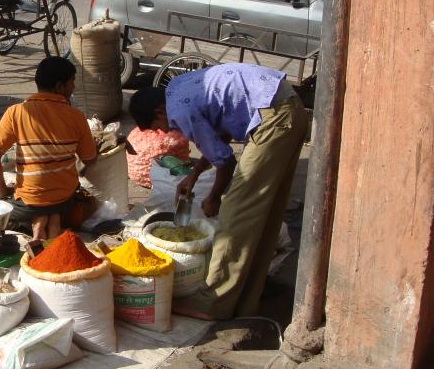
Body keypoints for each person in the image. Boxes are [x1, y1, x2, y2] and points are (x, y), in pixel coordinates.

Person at [128, 63, 307, 320]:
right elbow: (218, 138)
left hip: (274, 115)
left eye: (158, 126)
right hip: (287, 108)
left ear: (159, 111)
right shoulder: (178, 89)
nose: (164, 132)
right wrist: (194, 174)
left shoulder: (180, 111)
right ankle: (245, 299)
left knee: (236, 212)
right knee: (263, 212)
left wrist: (214, 197)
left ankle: (213, 301)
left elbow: (226, 161)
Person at [0, 56, 98, 240]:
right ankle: (51, 218)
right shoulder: (76, 116)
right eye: (72, 82)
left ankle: (40, 220)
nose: (74, 88)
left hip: (30, 204)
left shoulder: (15, 112)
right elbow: (90, 159)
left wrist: (3, 194)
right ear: (59, 87)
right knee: (73, 203)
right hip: (64, 200)